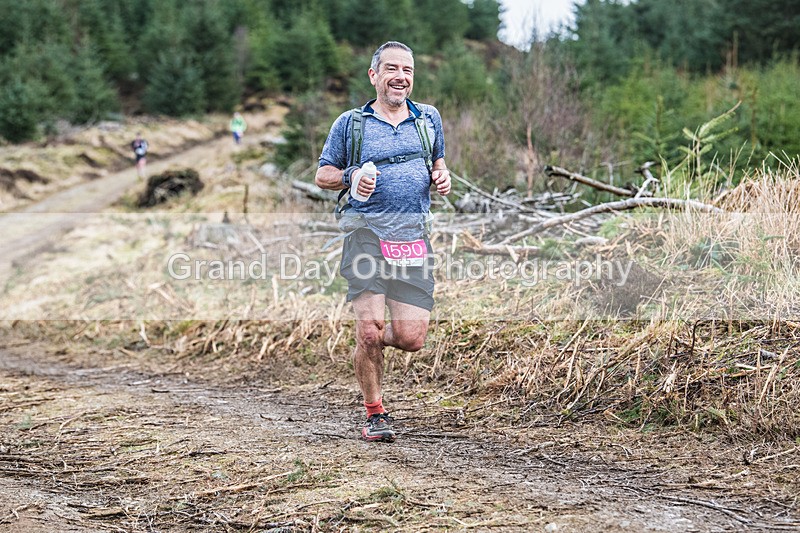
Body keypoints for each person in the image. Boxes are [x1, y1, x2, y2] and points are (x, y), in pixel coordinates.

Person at [315, 41, 451, 442]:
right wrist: (351, 176)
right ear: (374, 75)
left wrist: (442, 176)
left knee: (411, 338)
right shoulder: (351, 124)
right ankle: (375, 413)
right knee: (371, 330)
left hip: (413, 239)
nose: (400, 77)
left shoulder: (428, 118)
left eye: (407, 70)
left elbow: (438, 162)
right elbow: (323, 174)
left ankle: (369, 341)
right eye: (392, 68)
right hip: (366, 235)